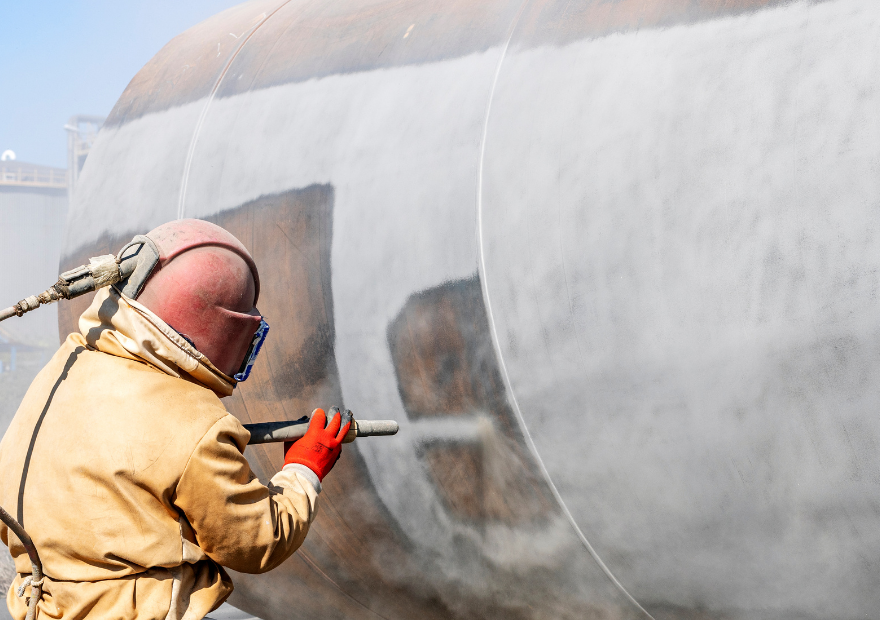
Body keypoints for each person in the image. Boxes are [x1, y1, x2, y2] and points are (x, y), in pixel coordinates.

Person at [0, 219, 349, 620]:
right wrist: (304, 470)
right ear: (223, 332)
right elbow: (255, 542)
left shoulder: (65, 367)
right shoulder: (195, 423)